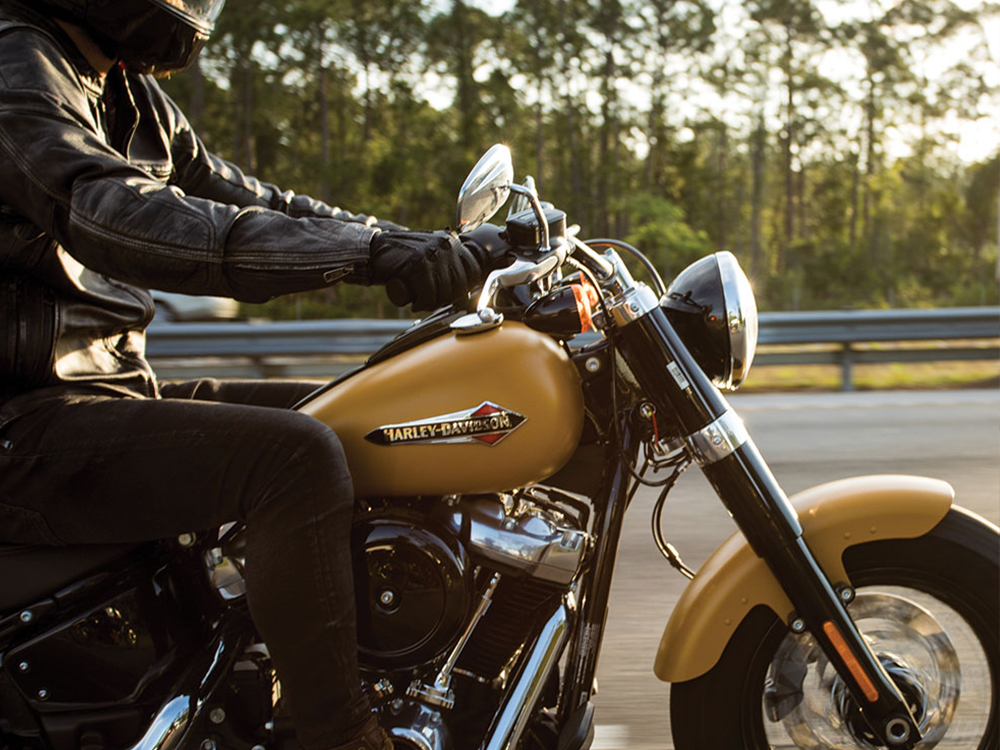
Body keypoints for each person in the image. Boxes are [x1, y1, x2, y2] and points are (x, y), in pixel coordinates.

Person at [0, 1, 493, 748]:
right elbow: (113, 212)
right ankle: (335, 733)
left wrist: (403, 241)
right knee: (293, 458)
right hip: (25, 420)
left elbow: (248, 198)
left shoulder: (125, 91)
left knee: (365, 416)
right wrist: (365, 257)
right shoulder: (16, 65)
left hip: (106, 395)